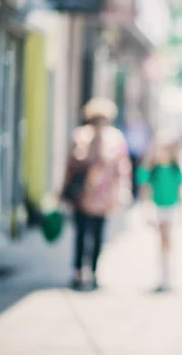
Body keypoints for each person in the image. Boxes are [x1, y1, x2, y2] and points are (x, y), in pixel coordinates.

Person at [62, 97, 132, 290]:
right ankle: (77, 272)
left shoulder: (115, 139)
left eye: (103, 120)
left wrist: (123, 191)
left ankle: (93, 272)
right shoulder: (80, 136)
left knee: (98, 236)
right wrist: (63, 190)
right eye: (96, 119)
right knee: (81, 235)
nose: (99, 124)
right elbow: (70, 165)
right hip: (82, 195)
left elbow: (122, 167)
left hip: (104, 196)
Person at [136, 135, 182, 293]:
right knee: (163, 241)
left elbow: (180, 190)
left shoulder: (175, 169)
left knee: (166, 241)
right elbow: (142, 181)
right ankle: (164, 276)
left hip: (171, 209)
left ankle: (167, 276)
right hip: (157, 208)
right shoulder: (153, 170)